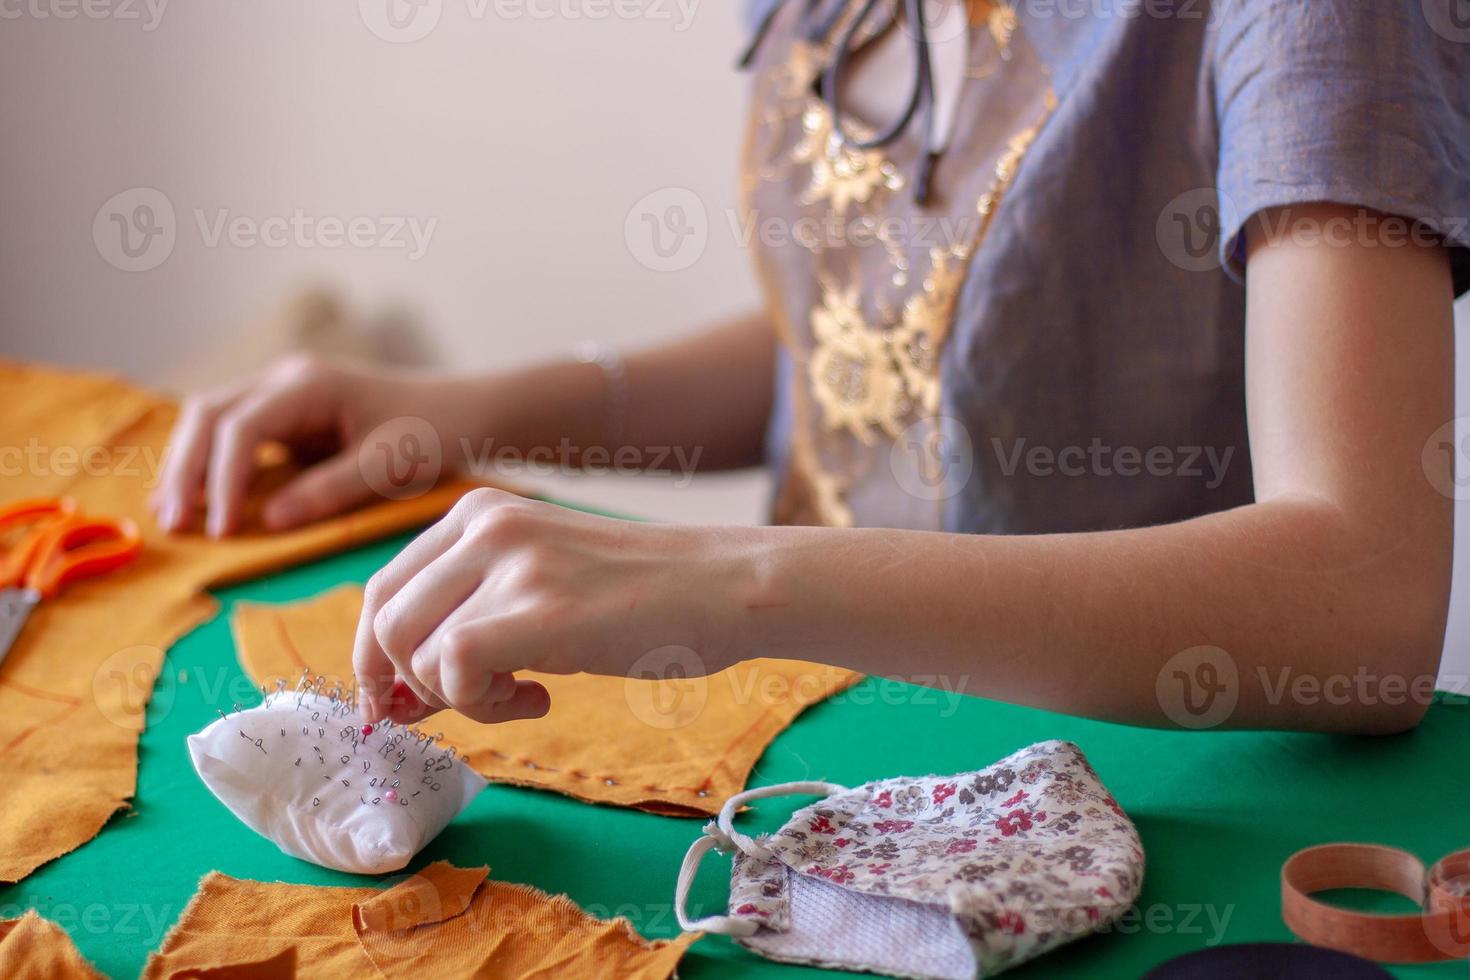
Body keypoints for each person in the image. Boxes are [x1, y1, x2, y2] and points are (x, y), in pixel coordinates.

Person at [151, 0, 1470, 734]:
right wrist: (471, 411)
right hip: (810, 746)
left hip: (1139, 782)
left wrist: (736, 584)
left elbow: (1360, 597)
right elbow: (875, 349)